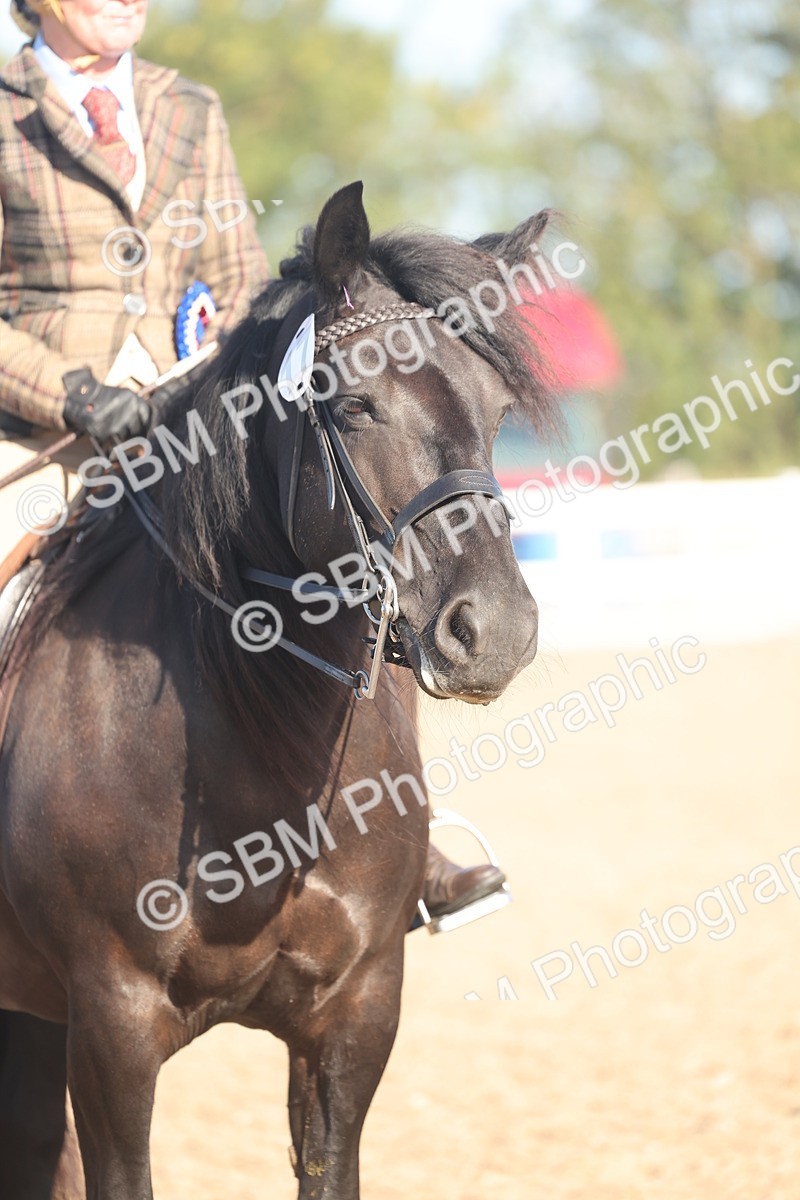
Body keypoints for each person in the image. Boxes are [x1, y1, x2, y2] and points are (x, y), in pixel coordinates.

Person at [0, 0, 505, 923]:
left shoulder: (187, 104)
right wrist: (70, 394)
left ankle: (404, 836)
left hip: (195, 403)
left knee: (344, 562)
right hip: (47, 423)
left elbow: (235, 271)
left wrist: (218, 372)